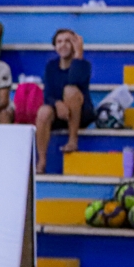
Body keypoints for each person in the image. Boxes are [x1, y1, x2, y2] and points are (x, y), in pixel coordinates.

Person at [35, 29, 94, 173]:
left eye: (68, 41)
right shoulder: (51, 66)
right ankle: (41, 160)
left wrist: (78, 55)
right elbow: (47, 94)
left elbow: (74, 81)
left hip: (81, 113)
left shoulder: (83, 65)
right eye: (59, 42)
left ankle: (73, 140)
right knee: (43, 111)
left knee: (70, 90)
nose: (63, 45)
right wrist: (57, 104)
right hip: (59, 112)